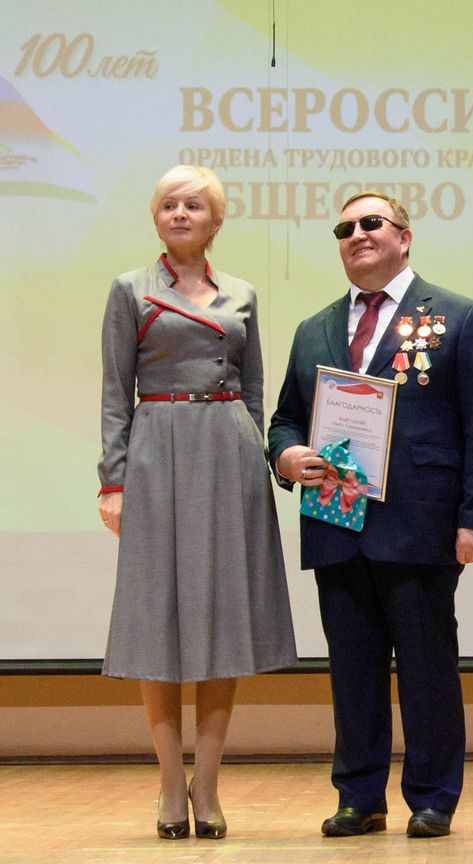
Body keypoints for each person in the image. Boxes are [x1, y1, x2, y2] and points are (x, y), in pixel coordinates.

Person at [268, 191, 473, 839]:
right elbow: (286, 416)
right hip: (336, 520)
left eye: (371, 223)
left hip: (421, 524)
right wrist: (286, 453)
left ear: (404, 236)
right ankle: (359, 796)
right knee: (352, 671)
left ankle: (432, 796)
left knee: (427, 669)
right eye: (344, 228)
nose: (356, 234)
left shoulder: (458, 316)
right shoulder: (314, 329)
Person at [97, 165, 297, 841]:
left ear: (216, 220)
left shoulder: (242, 293)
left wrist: (254, 464)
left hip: (228, 453)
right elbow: (114, 394)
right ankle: (167, 783)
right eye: (169, 205)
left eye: (194, 205)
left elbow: (253, 389)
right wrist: (113, 481)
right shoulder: (129, 289)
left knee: (221, 621)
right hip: (157, 451)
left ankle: (206, 784)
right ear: (156, 217)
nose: (180, 213)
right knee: (158, 620)